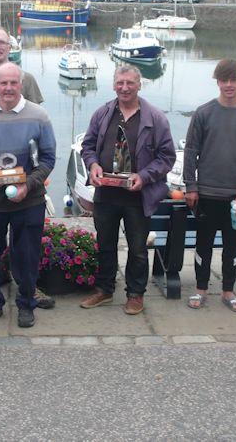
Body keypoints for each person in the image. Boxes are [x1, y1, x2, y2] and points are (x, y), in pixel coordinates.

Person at [0, 26, 54, 309]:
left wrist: (30, 184)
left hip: (29, 201)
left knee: (27, 256)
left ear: (21, 84)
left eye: (14, 83)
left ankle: (26, 304)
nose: (8, 88)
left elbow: (49, 158)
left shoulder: (39, 116)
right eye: (3, 84)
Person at [79, 65, 175, 315]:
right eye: (120, 83)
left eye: (130, 83)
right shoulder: (102, 114)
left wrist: (144, 176)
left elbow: (167, 157)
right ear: (114, 85)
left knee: (138, 249)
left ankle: (135, 294)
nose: (124, 87)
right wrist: (93, 165)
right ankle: (104, 290)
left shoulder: (155, 118)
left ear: (139, 84)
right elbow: (87, 146)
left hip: (138, 196)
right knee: (105, 245)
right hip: (106, 194)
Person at [183, 59, 236, 312]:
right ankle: (200, 289)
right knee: (203, 245)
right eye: (223, 80)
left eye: (233, 79)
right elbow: (191, 151)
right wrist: (191, 186)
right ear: (217, 81)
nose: (228, 85)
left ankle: (228, 290)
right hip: (206, 193)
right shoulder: (203, 112)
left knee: (233, 248)